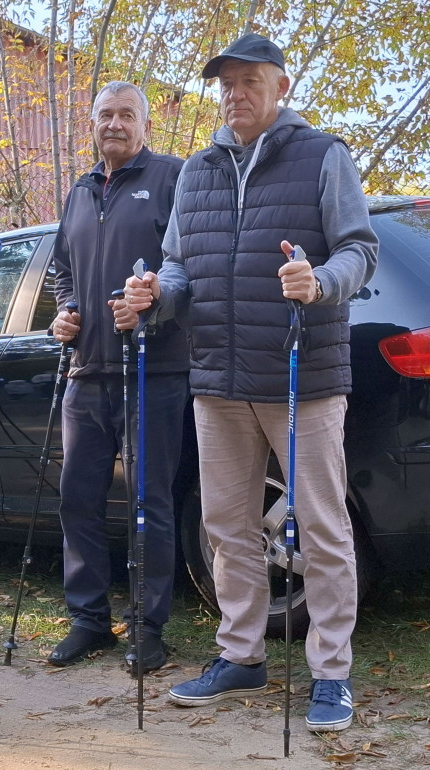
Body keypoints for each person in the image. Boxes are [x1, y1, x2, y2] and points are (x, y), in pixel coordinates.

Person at [120, 33, 378, 733]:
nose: (236, 93)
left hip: (304, 378)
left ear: (281, 87)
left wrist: (321, 280)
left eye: (250, 81)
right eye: (226, 83)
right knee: (226, 527)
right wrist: (155, 292)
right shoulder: (198, 170)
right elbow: (179, 268)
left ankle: (331, 673)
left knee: (322, 530)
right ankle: (241, 656)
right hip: (218, 378)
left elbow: (361, 249)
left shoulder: (324, 157)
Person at [48, 82, 189, 673]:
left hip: (153, 369)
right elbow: (62, 268)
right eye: (105, 115)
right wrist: (65, 310)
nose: (114, 124)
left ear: (144, 124)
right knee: (76, 497)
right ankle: (89, 620)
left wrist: (153, 302)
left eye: (125, 115)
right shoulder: (80, 190)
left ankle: (148, 627)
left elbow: (190, 266)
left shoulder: (173, 179)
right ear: (93, 123)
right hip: (86, 372)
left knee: (148, 503)